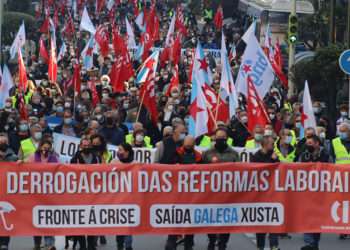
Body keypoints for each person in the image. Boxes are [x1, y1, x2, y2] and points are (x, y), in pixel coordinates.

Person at [202, 127, 239, 250]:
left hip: (228, 194)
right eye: (218, 138)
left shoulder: (234, 154)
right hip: (211, 193)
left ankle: (223, 243)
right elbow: (200, 172)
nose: (221, 140)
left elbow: (240, 172)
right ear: (214, 138)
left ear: (227, 138)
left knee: (226, 221)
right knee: (210, 219)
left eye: (223, 138)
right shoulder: (207, 153)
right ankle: (212, 241)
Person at [298, 135, 330, 250]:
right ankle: (309, 243)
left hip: (321, 191)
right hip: (307, 190)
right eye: (307, 143)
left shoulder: (325, 155)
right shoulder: (304, 155)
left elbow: (331, 169)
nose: (308, 145)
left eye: (310, 143)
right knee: (307, 216)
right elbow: (297, 169)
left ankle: (314, 243)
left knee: (317, 218)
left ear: (317, 143)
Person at [27, 139, 58, 250]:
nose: (45, 150)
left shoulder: (53, 158)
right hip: (36, 193)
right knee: (37, 218)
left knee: (49, 218)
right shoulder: (32, 157)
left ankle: (50, 244)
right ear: (40, 147)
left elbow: (59, 170)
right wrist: (19, 163)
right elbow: (25, 168)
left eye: (48, 148)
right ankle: (37, 243)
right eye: (44, 147)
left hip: (49, 193)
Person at [71, 137, 101, 250]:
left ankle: (91, 244)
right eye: (84, 145)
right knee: (80, 220)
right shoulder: (75, 158)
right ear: (80, 146)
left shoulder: (96, 157)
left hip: (93, 194)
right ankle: (82, 245)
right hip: (79, 194)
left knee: (92, 220)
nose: (86, 147)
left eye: (88, 145)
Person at [251, 136, 280, 250]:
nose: (273, 146)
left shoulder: (274, 155)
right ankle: (260, 246)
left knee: (274, 220)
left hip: (273, 194)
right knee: (261, 223)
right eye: (271, 144)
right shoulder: (255, 157)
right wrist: (271, 161)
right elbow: (260, 170)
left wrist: (275, 160)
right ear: (264, 144)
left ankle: (274, 245)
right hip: (260, 195)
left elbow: (279, 169)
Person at [175, 135, 201, 250]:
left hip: (192, 193)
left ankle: (189, 243)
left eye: (190, 146)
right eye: (186, 146)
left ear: (194, 146)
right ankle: (175, 237)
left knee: (190, 219)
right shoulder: (176, 154)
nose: (188, 147)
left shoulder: (198, 156)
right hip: (178, 192)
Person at [112, 143, 134, 250]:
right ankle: (119, 245)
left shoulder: (135, 164)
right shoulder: (114, 162)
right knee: (120, 224)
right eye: (118, 149)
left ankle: (128, 246)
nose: (118, 152)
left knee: (128, 224)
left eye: (120, 150)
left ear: (127, 151)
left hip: (130, 199)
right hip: (117, 199)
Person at [0, 134, 18, 250]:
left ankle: (4, 244)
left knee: (5, 219)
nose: (2, 144)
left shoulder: (12, 156)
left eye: (4, 142)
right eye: (0, 142)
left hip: (7, 193)